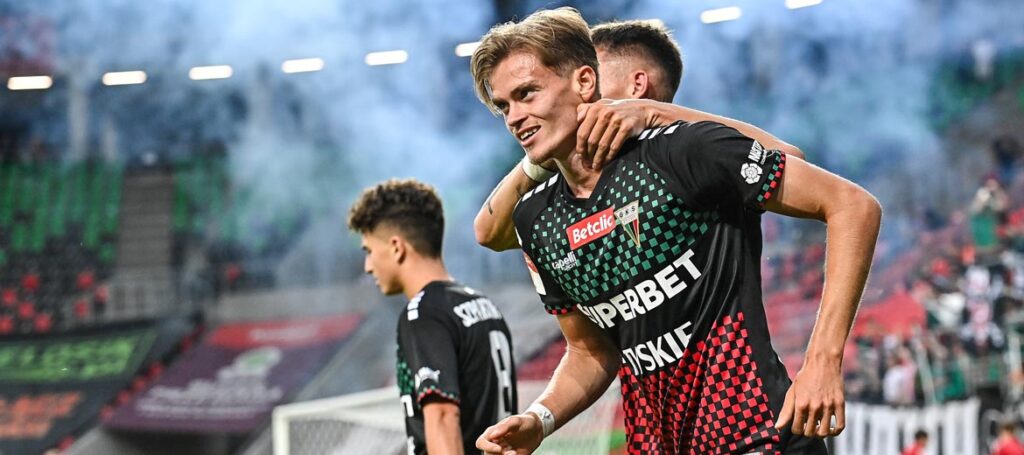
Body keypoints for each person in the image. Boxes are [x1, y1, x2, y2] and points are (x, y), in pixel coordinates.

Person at [470, 7, 881, 454]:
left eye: (527, 94)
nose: (513, 118)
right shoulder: (536, 218)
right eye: (504, 106)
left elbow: (852, 205)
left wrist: (822, 360)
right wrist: (540, 419)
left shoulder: (682, 152)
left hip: (757, 436)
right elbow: (589, 352)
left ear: (585, 82)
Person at [473, 19, 805, 251]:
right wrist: (544, 154)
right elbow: (489, 233)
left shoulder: (689, 151)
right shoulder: (585, 173)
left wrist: (651, 112)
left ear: (637, 86)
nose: (585, 92)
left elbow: (789, 160)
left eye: (593, 75)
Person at [348, 179, 517, 455]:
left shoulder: (423, 313)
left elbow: (442, 416)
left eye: (369, 251)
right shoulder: (483, 304)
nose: (367, 266)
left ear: (396, 247)